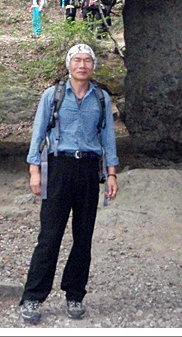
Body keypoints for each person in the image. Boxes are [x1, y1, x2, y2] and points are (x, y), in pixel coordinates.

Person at [19, 44, 119, 324]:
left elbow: (108, 138)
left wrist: (111, 173)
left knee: (83, 236)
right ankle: (33, 297)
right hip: (59, 167)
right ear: (69, 64)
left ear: (93, 66)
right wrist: (34, 171)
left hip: (88, 168)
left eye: (87, 60)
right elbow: (39, 133)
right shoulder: (53, 95)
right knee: (50, 235)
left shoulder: (101, 98)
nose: (82, 65)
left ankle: (75, 293)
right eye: (77, 60)